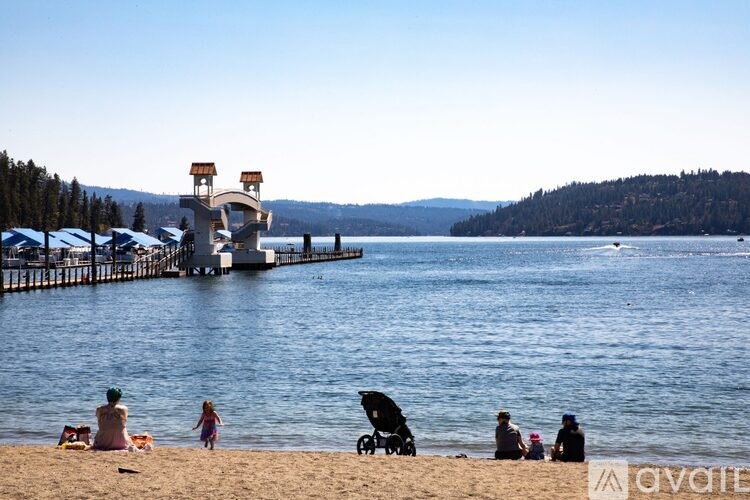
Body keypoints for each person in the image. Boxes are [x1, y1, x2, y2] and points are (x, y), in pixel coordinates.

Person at [93, 386, 133, 450]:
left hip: (102, 443)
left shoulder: (99, 409)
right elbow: (124, 421)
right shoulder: (124, 409)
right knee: (123, 428)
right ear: (119, 398)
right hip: (121, 443)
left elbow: (99, 420)